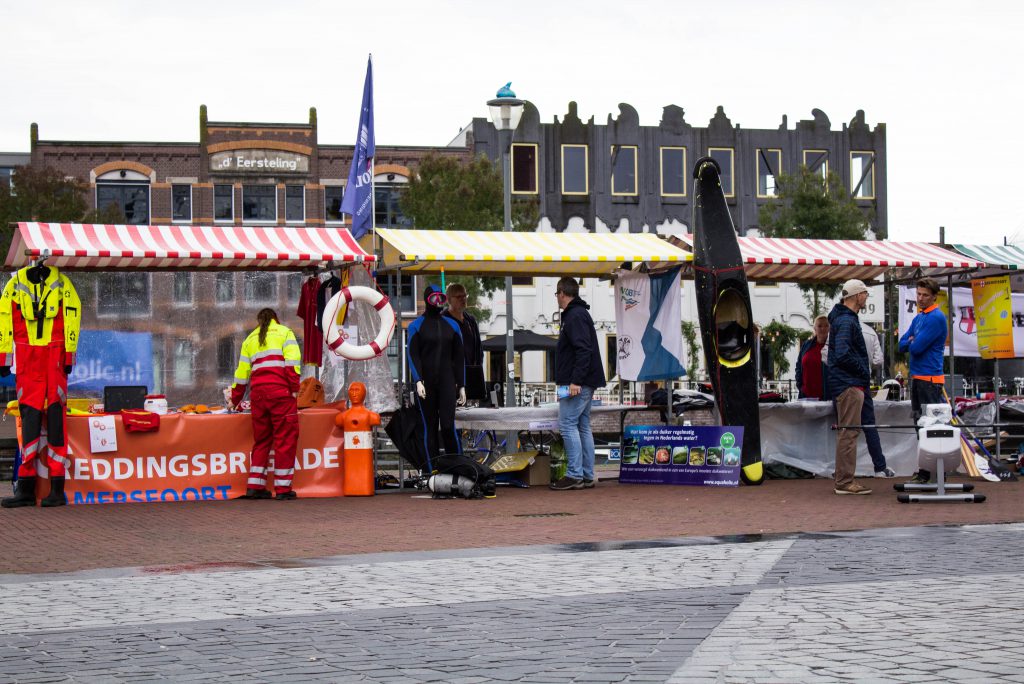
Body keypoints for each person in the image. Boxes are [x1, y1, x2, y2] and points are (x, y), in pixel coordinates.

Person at [0, 263, 82, 508]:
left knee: (56, 419)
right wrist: (4, 355)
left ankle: (57, 490)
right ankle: (26, 488)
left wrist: (69, 354)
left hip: (54, 355)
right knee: (30, 419)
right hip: (27, 356)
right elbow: (3, 316)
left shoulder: (62, 284)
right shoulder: (15, 285)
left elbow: (72, 314)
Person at [229, 308, 302, 500]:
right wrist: (294, 389)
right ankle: (284, 489)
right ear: (275, 319)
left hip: (258, 397)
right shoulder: (285, 333)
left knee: (262, 441)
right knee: (285, 440)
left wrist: (235, 400)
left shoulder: (249, 340)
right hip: (280, 395)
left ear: (259, 321)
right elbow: (292, 364)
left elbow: (241, 374)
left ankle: (255, 486)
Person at [550, 277, 606, 491]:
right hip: (586, 380)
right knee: (582, 426)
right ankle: (587, 474)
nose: (557, 298)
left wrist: (575, 381)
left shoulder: (573, 317)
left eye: (557, 294)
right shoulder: (580, 314)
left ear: (562, 293)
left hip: (577, 382)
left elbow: (583, 350)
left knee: (567, 424)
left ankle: (574, 474)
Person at [408, 285, 466, 467]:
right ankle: (432, 471)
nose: (438, 303)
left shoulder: (453, 325)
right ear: (427, 300)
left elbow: (459, 358)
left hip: (447, 383)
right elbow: (413, 355)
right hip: (426, 385)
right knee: (430, 428)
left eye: (441, 298)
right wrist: (418, 380)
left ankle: (457, 468)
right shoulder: (415, 326)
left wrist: (461, 385)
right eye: (434, 299)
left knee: (448, 427)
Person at [827, 279, 873, 495]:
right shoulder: (847, 321)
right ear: (856, 296)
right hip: (850, 384)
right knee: (849, 432)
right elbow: (843, 353)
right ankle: (845, 482)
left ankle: (843, 479)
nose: (866, 297)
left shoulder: (841, 319)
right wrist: (863, 370)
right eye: (864, 293)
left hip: (845, 382)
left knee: (847, 432)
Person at [899, 277, 947, 483]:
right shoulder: (919, 318)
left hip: (929, 380)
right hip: (918, 379)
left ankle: (935, 472)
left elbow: (915, 348)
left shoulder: (936, 317)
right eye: (918, 294)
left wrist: (911, 341)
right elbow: (901, 344)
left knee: (930, 427)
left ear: (934, 296)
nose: (920, 298)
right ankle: (926, 471)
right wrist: (910, 342)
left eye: (925, 295)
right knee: (920, 426)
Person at [861, 319, 895, 478]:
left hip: (842, 384)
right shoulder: (869, 331)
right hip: (862, 382)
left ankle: (841, 469)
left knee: (844, 428)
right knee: (869, 425)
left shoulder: (837, 328)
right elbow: (878, 360)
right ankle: (879, 466)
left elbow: (826, 356)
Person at [443, 282, 484, 401]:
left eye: (464, 296)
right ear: (449, 299)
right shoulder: (443, 319)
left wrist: (478, 367)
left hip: (471, 374)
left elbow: (478, 347)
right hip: (452, 377)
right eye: (459, 297)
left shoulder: (470, 320)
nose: (463, 299)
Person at [796, 315, 829, 399]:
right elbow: (799, 365)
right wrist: (800, 386)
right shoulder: (806, 345)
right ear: (814, 329)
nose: (823, 328)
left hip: (826, 397)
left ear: (829, 328)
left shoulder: (833, 347)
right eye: (819, 326)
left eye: (826, 325)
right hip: (805, 396)